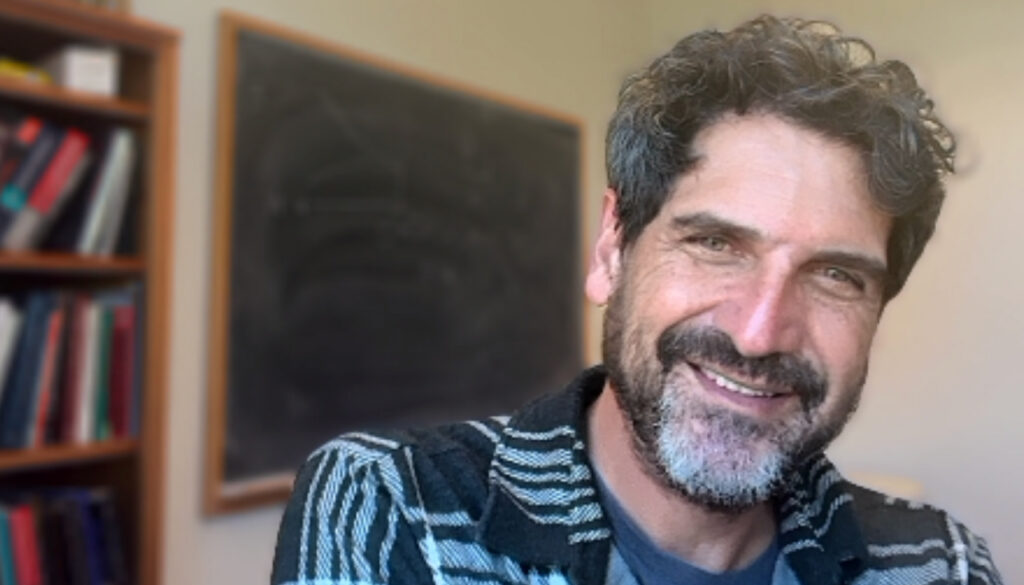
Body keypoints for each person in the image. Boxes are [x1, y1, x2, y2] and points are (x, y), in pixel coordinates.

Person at [270, 15, 1002, 585]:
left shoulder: (942, 563)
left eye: (836, 276)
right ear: (611, 249)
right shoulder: (396, 505)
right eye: (715, 243)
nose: (757, 333)